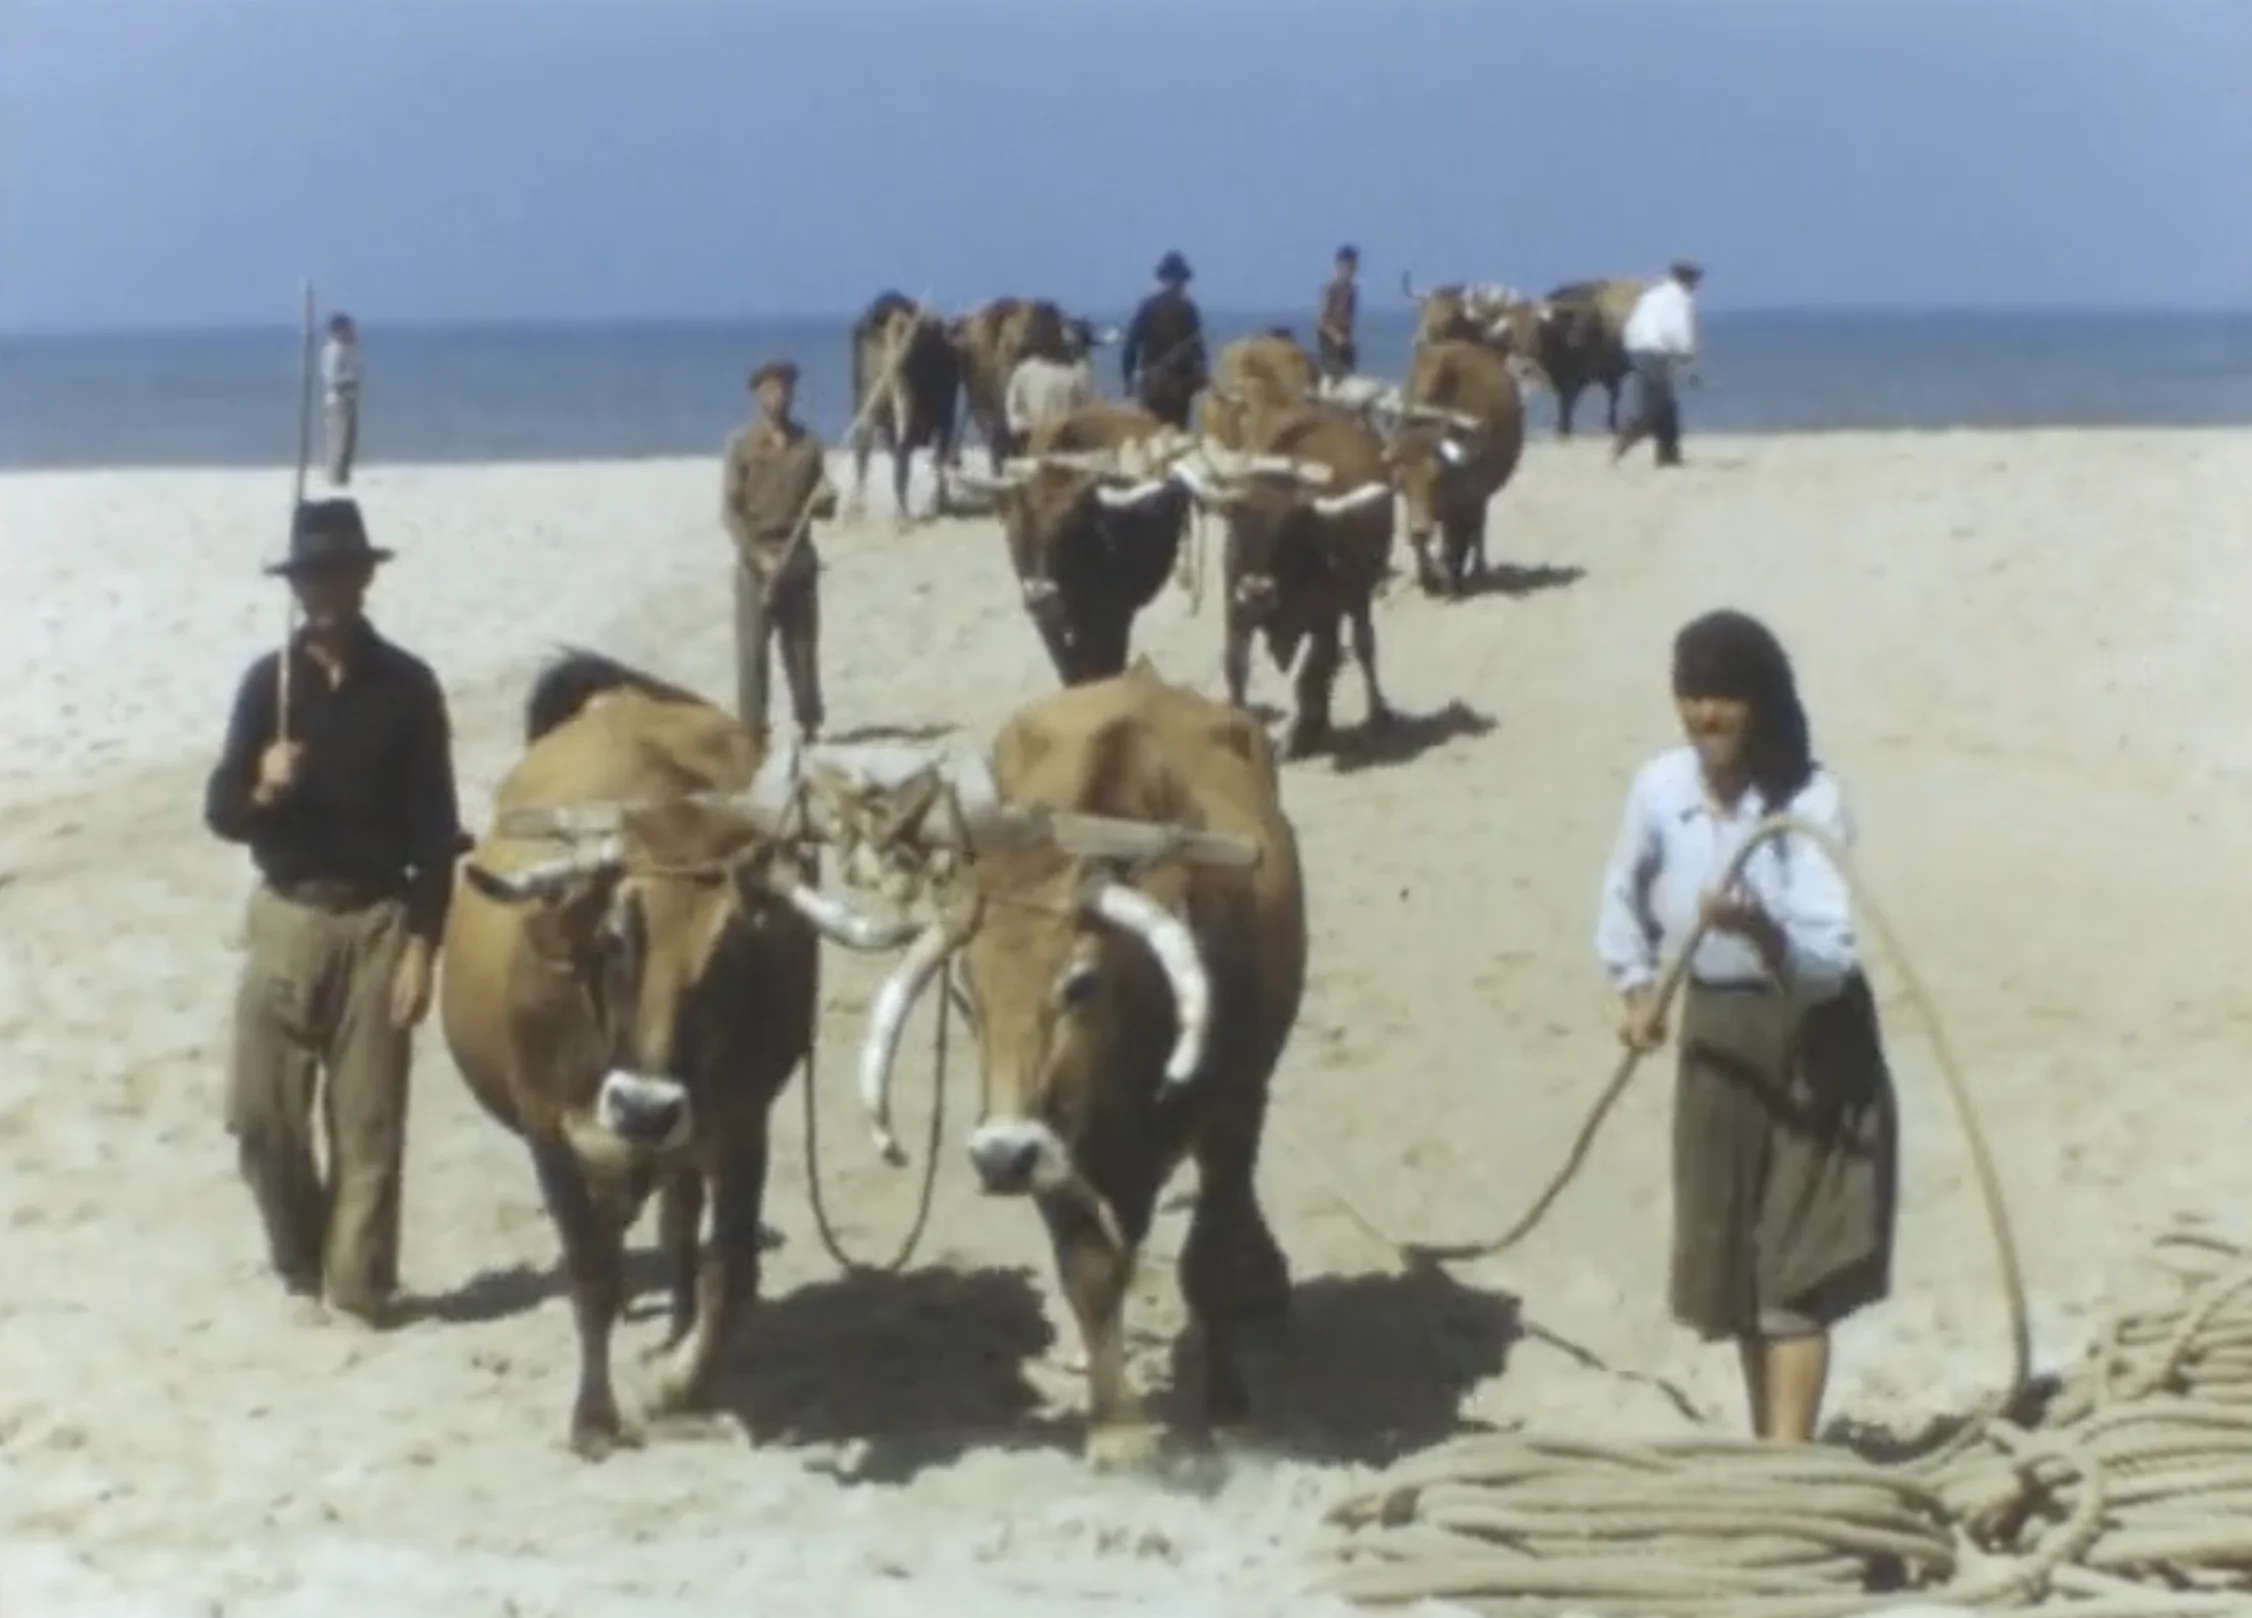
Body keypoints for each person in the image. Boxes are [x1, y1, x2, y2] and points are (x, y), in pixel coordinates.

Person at [1593, 608, 1898, 1445]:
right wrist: (1634, 987)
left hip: (1815, 1042)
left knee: (1796, 1264)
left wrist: (1761, 931)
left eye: (1723, 697)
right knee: (1732, 1256)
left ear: (1759, 702)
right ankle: (1771, 1447)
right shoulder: (1659, 789)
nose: (1704, 716)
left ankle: (1787, 1468)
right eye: (1691, 697)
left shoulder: (1808, 797)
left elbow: (1828, 954)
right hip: (1718, 1039)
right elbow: (1622, 894)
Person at [203, 497, 463, 1327]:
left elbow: (436, 831)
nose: (325, 589)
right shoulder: (267, 686)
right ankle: (299, 1260)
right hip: (285, 915)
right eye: (311, 575)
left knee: (369, 1129)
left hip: (380, 921)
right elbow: (220, 812)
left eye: (338, 573)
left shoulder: (409, 687)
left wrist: (425, 946)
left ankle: (355, 1288)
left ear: (363, 579)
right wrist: (262, 786)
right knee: (258, 1116)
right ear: (297, 585)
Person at [721, 358, 837, 743]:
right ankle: (753, 731)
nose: (779, 397)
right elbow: (730, 511)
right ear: (758, 396)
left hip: (799, 558)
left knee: (802, 651)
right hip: (757, 560)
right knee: (752, 655)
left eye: (784, 390)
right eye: (770, 390)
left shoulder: (809, 445)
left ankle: (809, 725)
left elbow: (828, 507)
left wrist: (825, 498)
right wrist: (756, 555)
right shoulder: (741, 446)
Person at [1614, 260, 1703, 468]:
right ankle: (1625, 442)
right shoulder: (1681, 299)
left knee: (1667, 405)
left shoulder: (1651, 295)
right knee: (1653, 407)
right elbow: (1678, 331)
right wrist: (1688, 357)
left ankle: (1669, 455)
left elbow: (1634, 325)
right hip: (1655, 353)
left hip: (1636, 349)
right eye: (1695, 280)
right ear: (1688, 280)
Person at [1119, 250, 1209, 430]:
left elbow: (1130, 345)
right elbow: (1197, 349)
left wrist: (1128, 380)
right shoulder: (1188, 308)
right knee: (1177, 437)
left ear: (1163, 278)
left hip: (1151, 384)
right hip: (1180, 388)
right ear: (1183, 280)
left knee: (1150, 434)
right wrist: (1202, 376)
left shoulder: (1148, 306)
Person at [1003, 303, 1094, 453]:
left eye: (1054, 330)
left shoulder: (1074, 372)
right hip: (1038, 442)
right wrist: (1023, 430)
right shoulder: (1025, 372)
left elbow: (1086, 407)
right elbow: (1014, 411)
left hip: (1069, 443)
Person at [320, 313, 363, 486]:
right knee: (340, 440)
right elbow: (331, 378)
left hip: (348, 398)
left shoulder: (346, 349)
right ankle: (335, 478)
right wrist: (351, 380)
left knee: (349, 440)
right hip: (339, 400)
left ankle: (342, 476)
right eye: (349, 329)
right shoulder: (333, 351)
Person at [1316, 244, 1360, 382]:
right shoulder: (1332, 289)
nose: (1350, 270)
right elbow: (1322, 320)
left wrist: (1348, 339)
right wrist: (1335, 336)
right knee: (1333, 378)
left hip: (1346, 343)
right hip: (1330, 343)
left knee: (1348, 377)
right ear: (1339, 266)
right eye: (1347, 266)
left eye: (1353, 266)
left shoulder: (1352, 290)